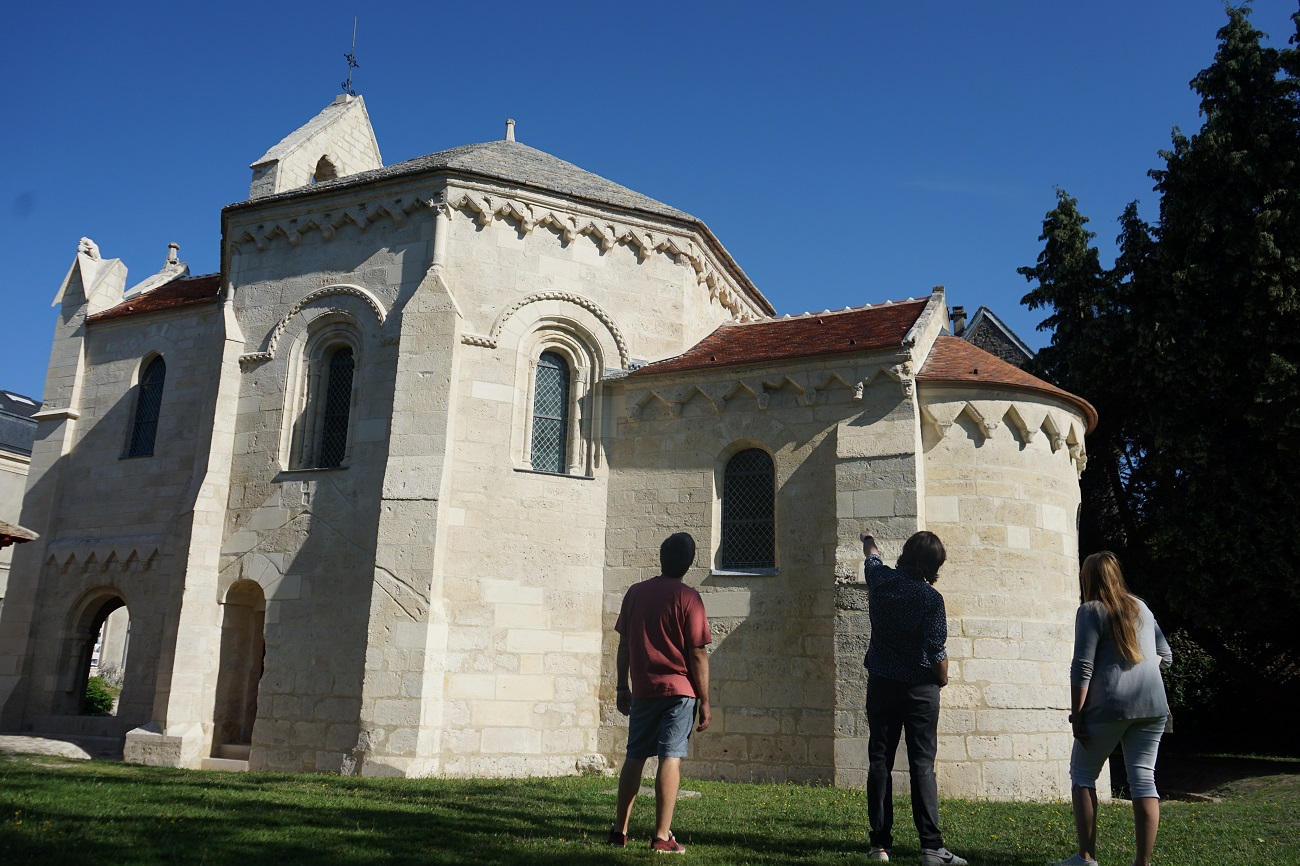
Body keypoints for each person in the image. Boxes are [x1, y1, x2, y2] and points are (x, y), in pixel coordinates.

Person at [1049, 551, 1173, 866]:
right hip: (1153, 705)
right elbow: (1166, 655)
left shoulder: (1091, 611)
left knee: (1083, 774)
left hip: (1110, 706)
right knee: (1144, 778)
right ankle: (1142, 863)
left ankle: (1086, 858)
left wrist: (1077, 715)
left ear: (1088, 578)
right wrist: (1139, 672)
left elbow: (1082, 667)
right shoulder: (1141, 607)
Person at [861, 529, 968, 866]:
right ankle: (932, 848)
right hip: (920, 689)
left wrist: (868, 539)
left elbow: (872, 556)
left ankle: (879, 844)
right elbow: (936, 650)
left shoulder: (880, 580)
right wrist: (943, 677)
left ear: (906, 553)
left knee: (880, 761)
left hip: (882, 683)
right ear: (934, 565)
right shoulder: (930, 599)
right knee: (922, 764)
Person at [608, 532, 712, 854]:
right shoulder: (689, 598)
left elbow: (624, 644)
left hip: (643, 690)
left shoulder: (635, 593)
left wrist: (622, 686)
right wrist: (706, 700)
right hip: (679, 693)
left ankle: (619, 831)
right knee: (671, 757)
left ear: (661, 556)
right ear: (689, 563)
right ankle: (662, 836)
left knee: (635, 756)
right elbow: (697, 653)